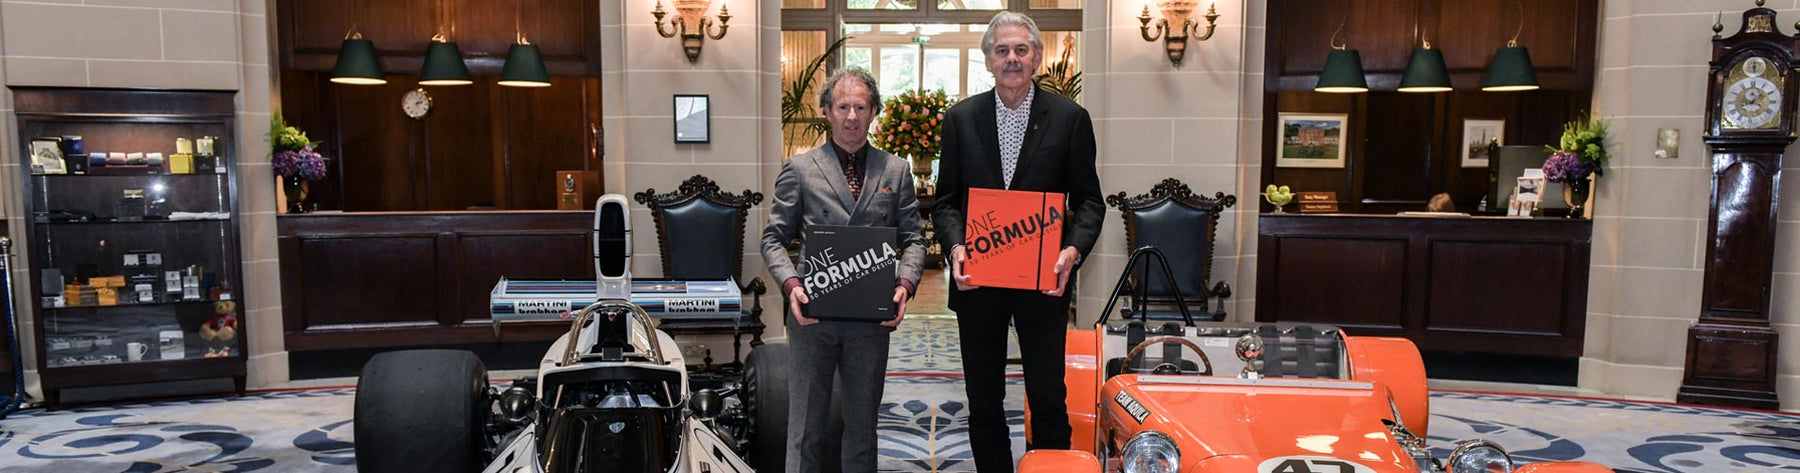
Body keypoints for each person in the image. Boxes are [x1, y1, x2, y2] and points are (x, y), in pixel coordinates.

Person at [931, 11, 1103, 473]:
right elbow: (945, 203)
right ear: (988, 59)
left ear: (1037, 58)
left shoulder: (1070, 119)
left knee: (1048, 396)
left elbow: (1090, 201)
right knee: (983, 399)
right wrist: (956, 249)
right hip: (978, 282)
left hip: (1043, 281)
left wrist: (1072, 251)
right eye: (1002, 50)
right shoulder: (960, 119)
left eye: (1021, 50)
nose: (1012, 59)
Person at [761, 68, 928, 473]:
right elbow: (772, 239)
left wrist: (905, 284)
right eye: (843, 107)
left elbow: (915, 240)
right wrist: (791, 285)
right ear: (826, 111)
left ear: (874, 112)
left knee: (862, 431)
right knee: (806, 429)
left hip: (870, 321)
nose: (852, 116)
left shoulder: (895, 170)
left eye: (860, 107)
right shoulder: (800, 169)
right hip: (812, 316)